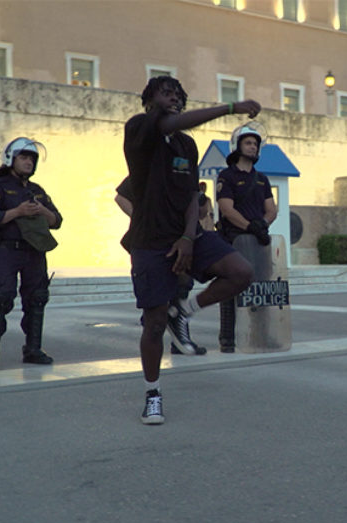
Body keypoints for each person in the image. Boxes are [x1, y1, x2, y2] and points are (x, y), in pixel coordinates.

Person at [122, 75, 257, 425]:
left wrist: (187, 237)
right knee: (153, 325)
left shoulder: (186, 145)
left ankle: (183, 311)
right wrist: (230, 107)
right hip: (150, 241)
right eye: (166, 93)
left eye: (179, 95)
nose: (175, 98)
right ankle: (152, 394)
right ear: (149, 100)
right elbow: (171, 121)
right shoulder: (139, 129)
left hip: (188, 234)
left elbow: (190, 198)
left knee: (241, 273)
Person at [0, 137, 62, 372]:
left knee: (37, 299)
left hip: (34, 251)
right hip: (7, 249)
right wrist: (17, 211)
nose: (28, 162)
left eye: (32, 159)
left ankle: (33, 350)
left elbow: (57, 221)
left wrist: (42, 210)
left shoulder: (37, 191)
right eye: (24, 158)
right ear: (11, 159)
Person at [115, 177, 207, 355]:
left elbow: (197, 207)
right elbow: (120, 198)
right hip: (150, 242)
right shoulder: (148, 168)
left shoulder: (182, 170)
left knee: (182, 288)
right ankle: (154, 347)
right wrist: (143, 220)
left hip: (178, 237)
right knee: (154, 302)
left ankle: (180, 340)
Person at [215, 123, 278, 352]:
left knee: (262, 288)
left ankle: (261, 335)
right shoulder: (227, 176)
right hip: (234, 239)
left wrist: (263, 225)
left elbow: (271, 209)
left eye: (255, 144)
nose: (252, 147)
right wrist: (250, 226)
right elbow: (227, 209)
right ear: (237, 146)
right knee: (231, 288)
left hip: (258, 240)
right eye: (248, 143)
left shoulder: (262, 179)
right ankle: (227, 339)